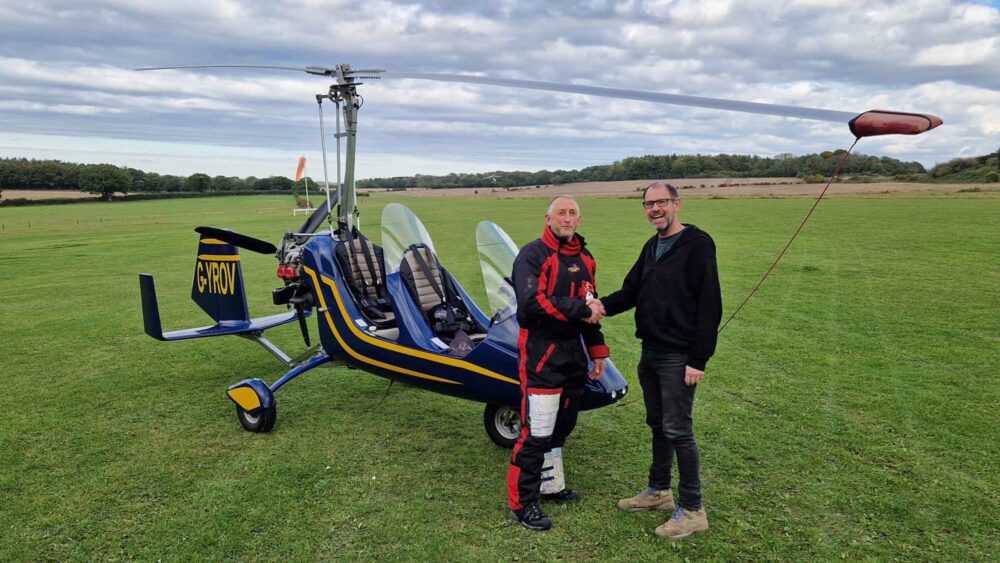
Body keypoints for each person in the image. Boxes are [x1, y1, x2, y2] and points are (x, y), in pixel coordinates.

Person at [596, 182, 722, 540]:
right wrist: (599, 307)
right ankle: (659, 492)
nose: (654, 209)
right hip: (651, 351)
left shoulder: (697, 244)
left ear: (676, 204)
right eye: (648, 204)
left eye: (661, 203)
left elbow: (710, 303)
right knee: (658, 424)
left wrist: (698, 359)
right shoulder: (652, 247)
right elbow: (631, 292)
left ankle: (693, 510)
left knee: (679, 429)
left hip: (679, 355)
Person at [506, 195, 609, 531]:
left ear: (579, 219)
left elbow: (591, 306)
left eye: (572, 213)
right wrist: (581, 309)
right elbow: (531, 304)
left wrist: (597, 350)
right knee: (536, 431)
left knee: (562, 426)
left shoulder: (586, 257)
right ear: (548, 218)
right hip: (541, 353)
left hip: (573, 355)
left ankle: (550, 486)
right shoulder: (533, 254)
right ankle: (522, 504)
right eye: (561, 212)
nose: (567, 218)